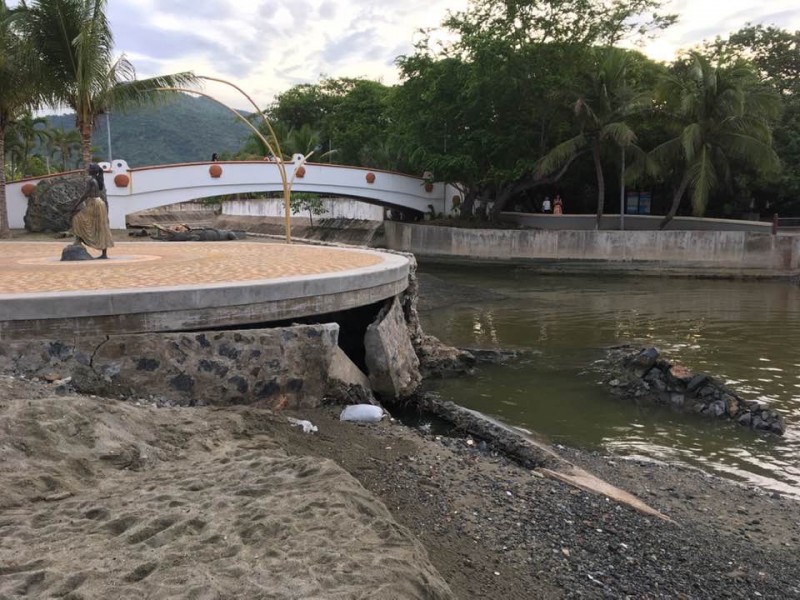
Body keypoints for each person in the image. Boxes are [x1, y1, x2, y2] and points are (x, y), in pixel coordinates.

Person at [68, 166, 114, 259]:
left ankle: (78, 240)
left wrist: (76, 205)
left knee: (77, 218)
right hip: (99, 203)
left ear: (92, 171)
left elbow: (85, 195)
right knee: (101, 227)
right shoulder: (96, 180)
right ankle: (104, 253)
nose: (87, 170)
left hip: (94, 204)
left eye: (89, 169)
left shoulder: (91, 181)